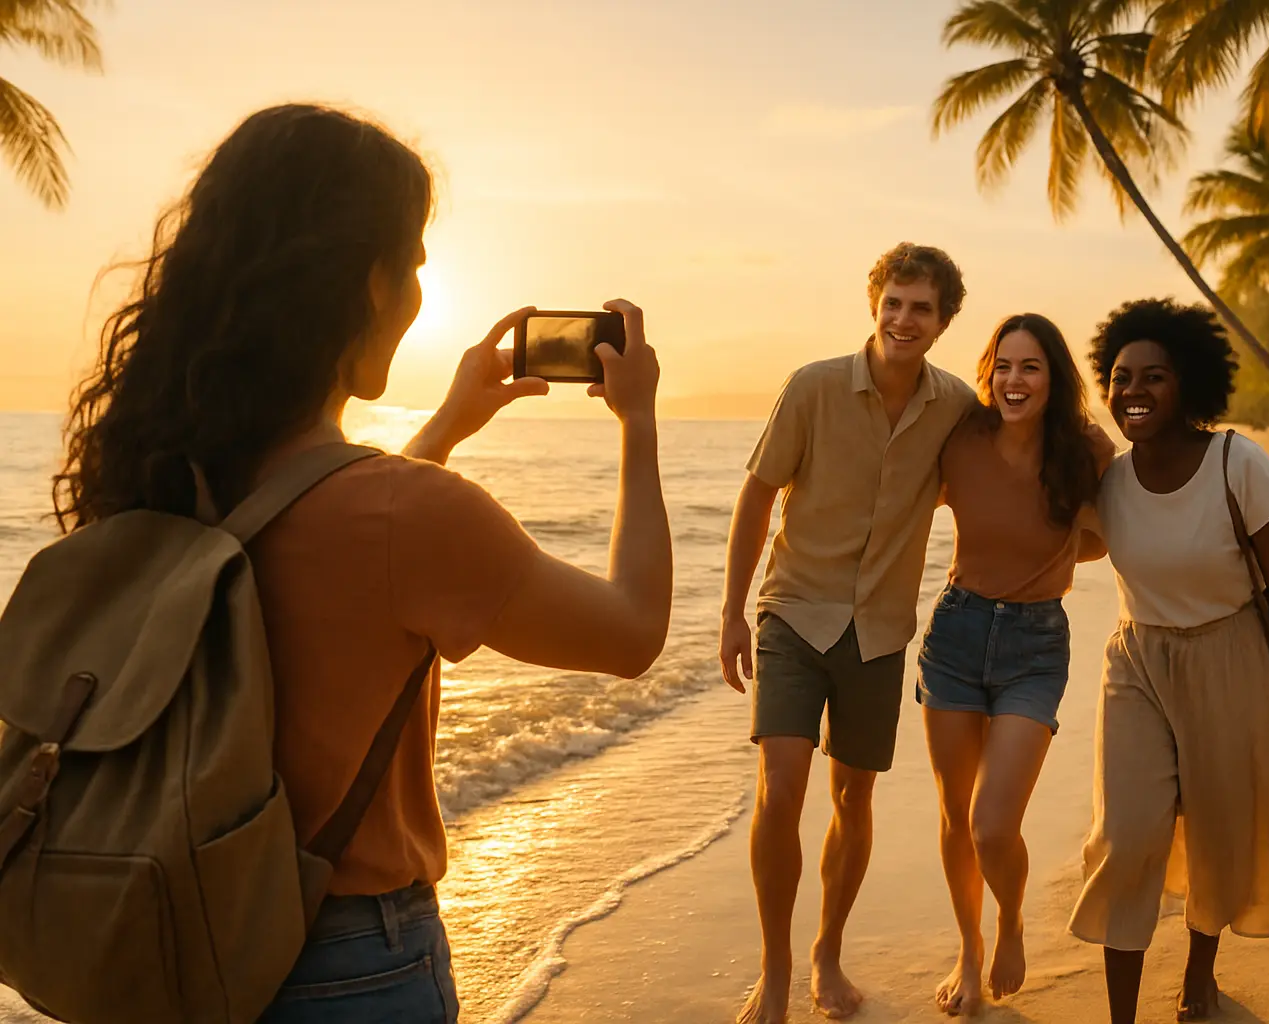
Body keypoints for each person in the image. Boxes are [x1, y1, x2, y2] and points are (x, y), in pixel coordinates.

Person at [52, 104, 672, 1023]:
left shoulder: (154, 472)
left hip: (160, 940)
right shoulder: (406, 516)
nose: (420, 291)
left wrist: (449, 428)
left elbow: (331, 540)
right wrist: (641, 426)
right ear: (368, 280)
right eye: (415, 265)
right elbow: (631, 631)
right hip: (347, 963)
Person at [1067, 298, 1269, 1023]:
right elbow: (1044, 543)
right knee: (1127, 836)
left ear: (1189, 387)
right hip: (1137, 661)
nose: (1134, 392)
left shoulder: (1240, 464)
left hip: (1229, 657)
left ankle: (1198, 979)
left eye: (1155, 377)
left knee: (1218, 831)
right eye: (1120, 378)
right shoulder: (1107, 481)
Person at [718, 243, 975, 1023]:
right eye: (893, 302)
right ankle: (776, 969)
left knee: (853, 797)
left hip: (880, 634)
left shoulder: (958, 408)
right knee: (782, 789)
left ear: (942, 322)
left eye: (921, 308)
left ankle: (827, 952)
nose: (904, 319)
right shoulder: (814, 387)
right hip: (794, 612)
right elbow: (756, 498)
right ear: (875, 303)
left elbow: (1007, 478)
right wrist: (731, 612)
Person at [917, 314, 1115, 1016]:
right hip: (956, 635)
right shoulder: (961, 436)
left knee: (993, 824)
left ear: (1053, 377)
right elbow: (899, 504)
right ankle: (969, 954)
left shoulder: (1086, 449)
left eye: (1030, 367)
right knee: (955, 817)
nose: (1013, 381)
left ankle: (1010, 923)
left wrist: (1052, 561)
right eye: (1003, 366)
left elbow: (1104, 535)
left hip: (1036, 646)